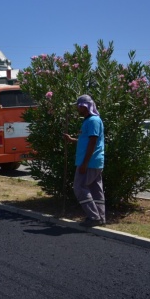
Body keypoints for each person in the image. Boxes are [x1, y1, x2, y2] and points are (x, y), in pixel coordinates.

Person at [63, 94, 105, 227]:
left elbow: (93, 142)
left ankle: (94, 217)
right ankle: (100, 217)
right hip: (94, 162)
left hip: (89, 162)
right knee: (95, 190)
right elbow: (87, 140)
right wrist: (72, 140)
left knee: (79, 187)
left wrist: (84, 163)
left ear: (84, 106)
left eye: (78, 106)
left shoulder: (93, 121)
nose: (77, 108)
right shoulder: (89, 121)